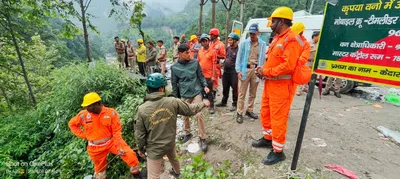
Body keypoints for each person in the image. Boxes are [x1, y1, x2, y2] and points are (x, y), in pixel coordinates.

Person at [254, 6, 304, 165]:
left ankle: (278, 151)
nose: (270, 24)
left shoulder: (292, 39)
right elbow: (273, 61)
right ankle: (268, 139)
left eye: (273, 21)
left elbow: (288, 66)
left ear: (282, 21)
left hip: (282, 86)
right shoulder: (277, 38)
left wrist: (266, 70)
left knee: (278, 118)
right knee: (266, 112)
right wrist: (262, 70)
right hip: (270, 84)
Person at [135, 73, 210, 179]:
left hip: (154, 149)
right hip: (170, 142)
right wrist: (203, 103)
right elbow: (190, 109)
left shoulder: (141, 109)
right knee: (173, 158)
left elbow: (140, 134)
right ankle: (178, 173)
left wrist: (141, 149)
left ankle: (177, 172)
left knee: (153, 176)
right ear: (161, 88)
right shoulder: (172, 102)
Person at [68, 92, 141, 179]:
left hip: (112, 142)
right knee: (100, 169)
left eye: (89, 105)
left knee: (130, 155)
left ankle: (136, 173)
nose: (86, 108)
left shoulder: (111, 113)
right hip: (95, 147)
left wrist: (119, 147)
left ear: (97, 104)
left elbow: (116, 131)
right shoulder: (83, 115)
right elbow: (72, 124)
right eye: (86, 106)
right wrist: (84, 135)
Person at [171, 44, 210, 152]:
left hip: (196, 92)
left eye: (190, 52)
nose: (189, 54)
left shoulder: (195, 63)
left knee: (199, 114)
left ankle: (203, 138)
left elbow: (201, 76)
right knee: (185, 115)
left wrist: (205, 86)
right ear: (180, 54)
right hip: (184, 94)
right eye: (186, 53)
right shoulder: (174, 68)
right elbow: (174, 84)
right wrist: (175, 98)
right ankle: (187, 133)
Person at [235, 23, 267, 123]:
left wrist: (262, 72)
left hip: (256, 70)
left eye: (254, 33)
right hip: (245, 69)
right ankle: (239, 112)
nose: (252, 35)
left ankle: (249, 110)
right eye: (250, 33)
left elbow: (263, 59)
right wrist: (238, 70)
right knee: (242, 93)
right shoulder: (244, 43)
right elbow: (238, 58)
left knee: (253, 93)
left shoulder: (262, 44)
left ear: (258, 33)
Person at [216, 33, 240, 112]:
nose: (229, 41)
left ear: (235, 40)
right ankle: (224, 102)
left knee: (235, 88)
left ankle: (234, 104)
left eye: (230, 40)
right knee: (225, 87)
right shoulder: (228, 48)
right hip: (226, 71)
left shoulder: (238, 50)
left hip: (234, 72)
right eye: (228, 39)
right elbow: (225, 57)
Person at [197, 34, 217, 114]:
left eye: (206, 41)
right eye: (203, 41)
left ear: (208, 41)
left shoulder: (213, 51)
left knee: (209, 91)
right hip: (201, 76)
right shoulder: (200, 51)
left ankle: (211, 107)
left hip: (209, 76)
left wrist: (213, 76)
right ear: (201, 42)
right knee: (201, 91)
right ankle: (203, 105)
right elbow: (198, 63)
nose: (205, 43)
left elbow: (214, 65)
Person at [291, 22, 311, 96]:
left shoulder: (305, 44)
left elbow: (303, 59)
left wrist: (291, 61)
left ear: (301, 32)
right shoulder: (290, 41)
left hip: (295, 71)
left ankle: (299, 90)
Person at [209, 28, 226, 99]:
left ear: (214, 35)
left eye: (211, 35)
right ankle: (209, 96)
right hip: (210, 65)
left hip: (216, 65)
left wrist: (214, 55)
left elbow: (223, 56)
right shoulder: (210, 43)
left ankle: (213, 97)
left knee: (214, 82)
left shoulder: (220, 45)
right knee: (209, 81)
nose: (210, 36)